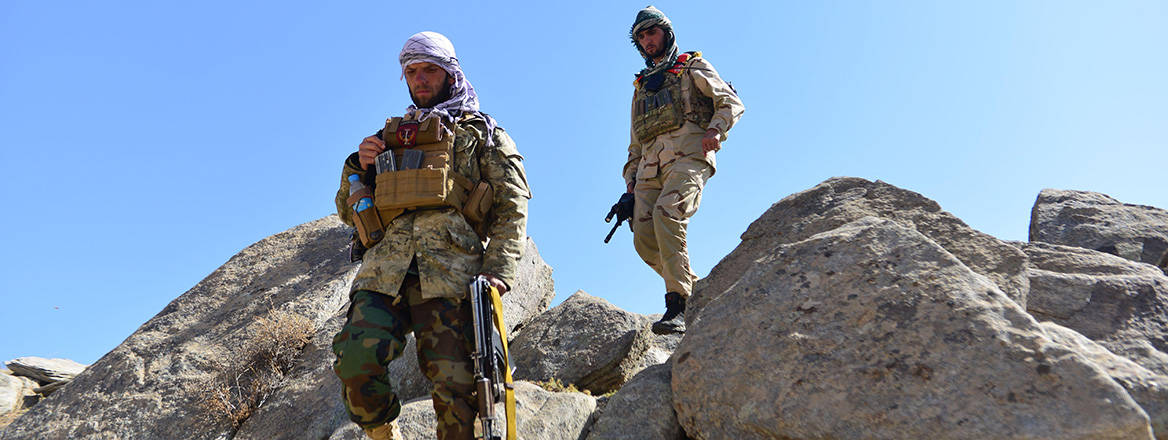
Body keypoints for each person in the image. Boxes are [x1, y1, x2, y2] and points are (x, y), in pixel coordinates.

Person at [330, 31, 531, 440]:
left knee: (457, 395)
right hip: (385, 274)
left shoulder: (483, 134)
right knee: (354, 362)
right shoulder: (387, 139)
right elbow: (346, 211)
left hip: (452, 276)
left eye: (429, 70)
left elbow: (513, 206)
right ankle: (385, 434)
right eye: (412, 72)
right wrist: (358, 165)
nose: (420, 79)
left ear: (450, 74)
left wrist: (500, 271)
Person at [623, 6, 745, 335]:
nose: (648, 40)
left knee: (668, 214)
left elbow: (730, 102)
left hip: (690, 157)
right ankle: (699, 292)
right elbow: (635, 142)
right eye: (642, 36)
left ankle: (676, 304)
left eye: (653, 32)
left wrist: (716, 130)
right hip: (649, 171)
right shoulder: (641, 88)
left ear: (667, 33)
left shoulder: (691, 66)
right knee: (644, 240)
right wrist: (629, 184)